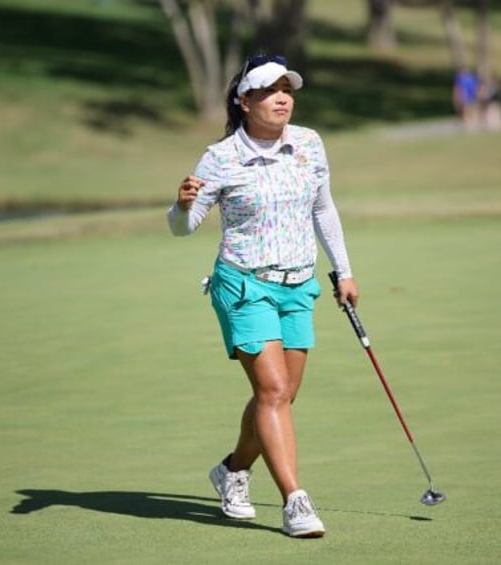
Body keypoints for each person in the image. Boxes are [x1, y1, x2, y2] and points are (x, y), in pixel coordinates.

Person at [167, 53, 359, 538]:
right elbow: (184, 228)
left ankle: (232, 470)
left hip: (298, 284)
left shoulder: (310, 144)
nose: (282, 99)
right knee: (272, 392)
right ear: (244, 100)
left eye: (287, 90)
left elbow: (324, 209)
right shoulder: (220, 158)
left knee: (282, 395)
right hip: (243, 284)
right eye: (270, 91)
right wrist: (181, 204)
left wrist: (345, 271)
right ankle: (295, 501)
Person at [452, 66, 480, 131]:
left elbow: (458, 89)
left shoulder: (461, 79)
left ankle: (468, 126)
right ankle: (471, 125)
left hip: (467, 97)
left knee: (467, 112)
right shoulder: (472, 78)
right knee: (470, 111)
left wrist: (456, 97)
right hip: (470, 97)